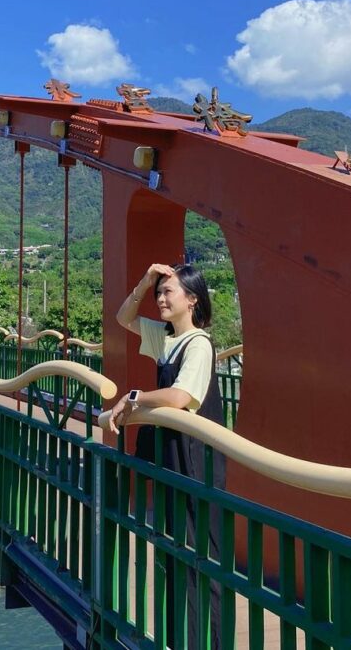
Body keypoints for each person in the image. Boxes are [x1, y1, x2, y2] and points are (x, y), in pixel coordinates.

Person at [108, 262, 225, 650]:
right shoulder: (167, 337)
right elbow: (124, 317)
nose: (160, 298)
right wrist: (145, 279)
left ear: (192, 299)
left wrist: (136, 397)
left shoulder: (199, 345)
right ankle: (180, 641)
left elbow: (179, 397)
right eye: (158, 292)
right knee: (177, 557)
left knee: (202, 564)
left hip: (196, 466)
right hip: (174, 461)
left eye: (167, 291)